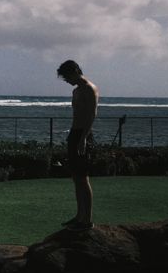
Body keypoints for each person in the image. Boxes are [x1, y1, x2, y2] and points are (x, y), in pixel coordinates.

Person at [57, 60, 99, 231]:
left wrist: (83, 138)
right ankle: (79, 215)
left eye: (67, 76)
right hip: (74, 134)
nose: (66, 80)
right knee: (76, 177)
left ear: (75, 71)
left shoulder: (89, 88)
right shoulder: (76, 91)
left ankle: (87, 220)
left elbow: (91, 115)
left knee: (83, 177)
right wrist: (73, 137)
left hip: (83, 134)